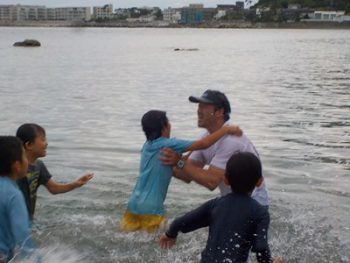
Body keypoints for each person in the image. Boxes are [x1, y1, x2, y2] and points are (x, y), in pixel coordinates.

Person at [120, 110, 242, 232]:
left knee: (130, 238)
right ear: (164, 127)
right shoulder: (169, 144)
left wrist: (184, 157)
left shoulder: (146, 146)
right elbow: (204, 144)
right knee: (156, 244)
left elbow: (177, 161)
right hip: (151, 208)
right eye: (168, 122)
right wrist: (226, 130)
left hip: (133, 204)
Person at [159, 152, 282, 263]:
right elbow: (261, 247)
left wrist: (170, 234)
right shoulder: (260, 213)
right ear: (259, 181)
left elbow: (181, 221)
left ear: (226, 179)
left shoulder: (215, 205)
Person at [160, 89, 268, 206]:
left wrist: (179, 161)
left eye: (204, 106)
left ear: (219, 112)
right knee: (181, 224)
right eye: (199, 106)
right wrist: (162, 161)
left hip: (254, 204)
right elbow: (186, 175)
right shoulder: (206, 138)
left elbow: (211, 182)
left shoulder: (231, 140)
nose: (198, 111)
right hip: (231, 202)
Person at [16, 123, 94, 219]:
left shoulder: (39, 165)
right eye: (43, 139)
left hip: (28, 218)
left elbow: (54, 188)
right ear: (29, 145)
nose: (46, 143)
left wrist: (76, 184)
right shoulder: (14, 167)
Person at [0, 136, 34, 263]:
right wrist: (36, 259)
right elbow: (22, 235)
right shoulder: (14, 194)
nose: (27, 161)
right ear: (17, 166)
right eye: (24, 156)